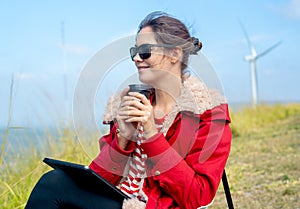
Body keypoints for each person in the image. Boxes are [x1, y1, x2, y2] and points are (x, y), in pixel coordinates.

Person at [25, 11, 232, 209]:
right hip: (120, 199)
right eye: (134, 52)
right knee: (58, 182)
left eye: (145, 51)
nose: (136, 58)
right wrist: (123, 138)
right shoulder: (133, 104)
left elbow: (197, 196)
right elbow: (100, 178)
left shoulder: (208, 115)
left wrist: (151, 134)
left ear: (174, 54)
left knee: (54, 184)